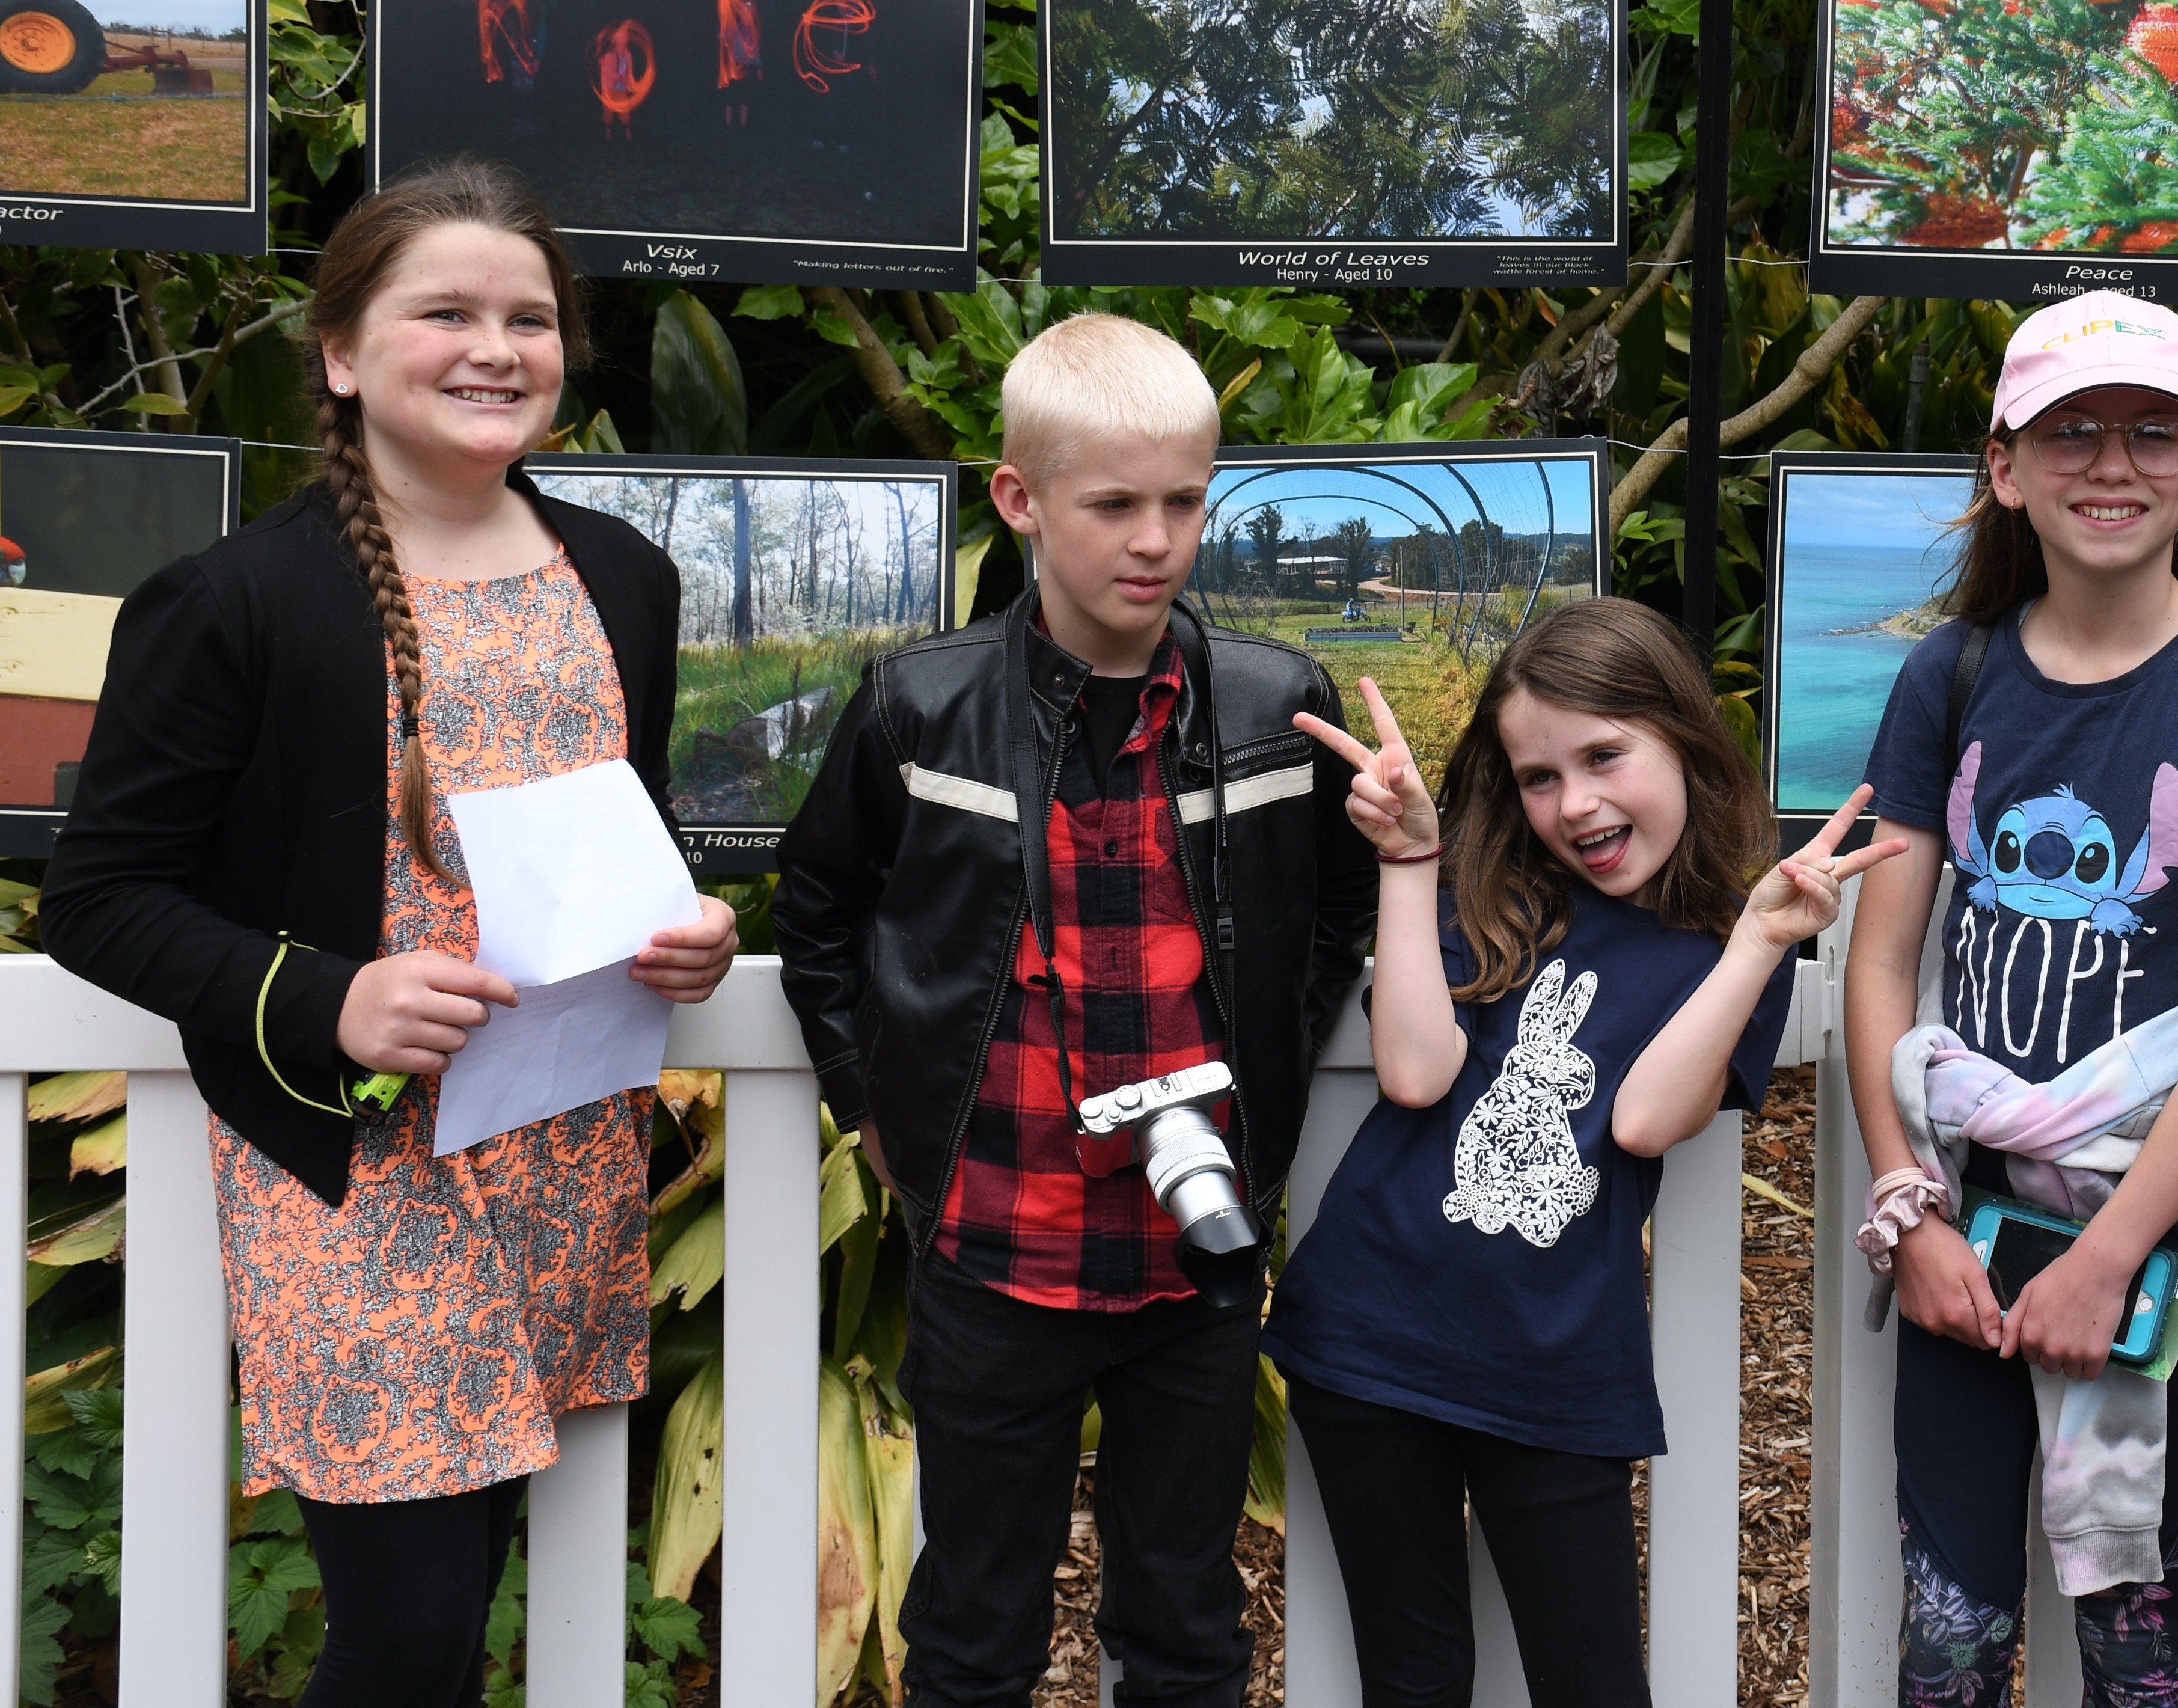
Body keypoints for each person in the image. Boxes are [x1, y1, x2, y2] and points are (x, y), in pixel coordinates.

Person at [39, 162, 741, 1708]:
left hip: (560, 1139)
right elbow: (98, 895)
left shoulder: (623, 577)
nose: (499, 346)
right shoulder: (233, 600)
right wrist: (326, 995)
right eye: (449, 312)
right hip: (355, 1169)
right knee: (410, 1638)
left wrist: (690, 922)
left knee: (459, 1606)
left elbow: (626, 830)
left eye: (530, 317)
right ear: (346, 351)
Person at [774, 312, 1373, 1708]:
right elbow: (818, 912)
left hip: (1197, 1262)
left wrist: (1264, 1105)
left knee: (1184, 1621)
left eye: (1183, 500)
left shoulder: (1277, 704)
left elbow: (1333, 910)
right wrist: (873, 1108)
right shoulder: (919, 708)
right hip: (994, 1245)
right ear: (1021, 498)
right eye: (1112, 504)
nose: (1153, 538)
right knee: (975, 1622)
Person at [1264, 598, 1898, 1708]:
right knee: (1413, 1678)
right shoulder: (1486, 884)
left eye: (1606, 756)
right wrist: (1413, 861)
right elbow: (1415, 1072)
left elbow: (1646, 1122)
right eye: (1539, 776)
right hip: (1371, 1338)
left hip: (1557, 1369)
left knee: (1594, 1681)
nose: (1577, 802)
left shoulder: (1731, 950)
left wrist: (1755, 942)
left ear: (1687, 745)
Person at [1838, 290, 2178, 1705]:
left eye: (2150, 432)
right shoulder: (1954, 671)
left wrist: (2108, 1254)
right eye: (2070, 433)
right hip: (1962, 1224)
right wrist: (1906, 1206)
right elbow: (1883, 962)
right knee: (1949, 1626)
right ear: (2005, 466)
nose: (2110, 465)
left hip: (2159, 1240)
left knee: (2137, 1628)